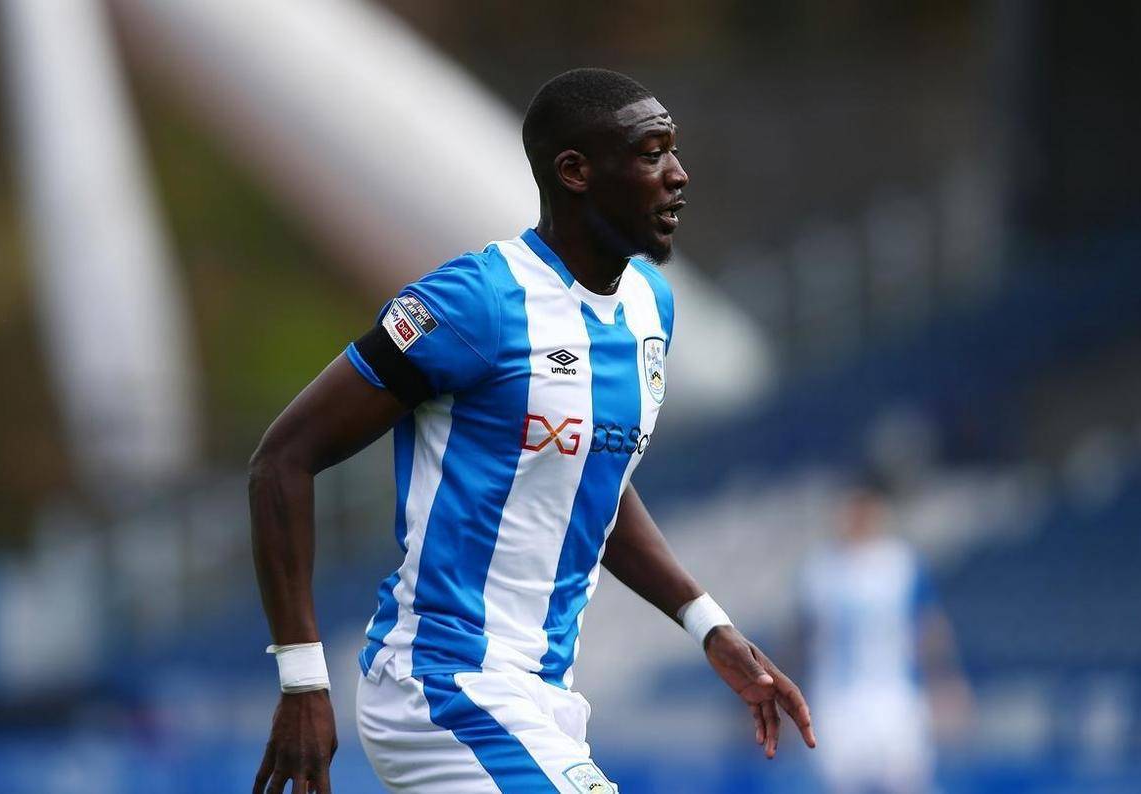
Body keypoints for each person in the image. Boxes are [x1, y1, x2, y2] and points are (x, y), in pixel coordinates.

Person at [248, 68, 816, 793]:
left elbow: (590, 481)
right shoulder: (475, 303)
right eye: (651, 154)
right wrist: (302, 680)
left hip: (546, 697)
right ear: (575, 172)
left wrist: (708, 623)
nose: (679, 174)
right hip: (443, 685)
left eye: (673, 151)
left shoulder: (652, 308)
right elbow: (281, 460)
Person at [798, 473, 971, 794]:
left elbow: (928, 626)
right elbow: (802, 637)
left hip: (894, 695)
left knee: (907, 782)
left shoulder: (900, 564)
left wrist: (945, 683)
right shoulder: (819, 570)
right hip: (838, 700)